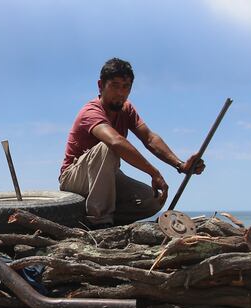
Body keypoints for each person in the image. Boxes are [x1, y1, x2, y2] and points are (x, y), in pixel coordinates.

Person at [59, 58, 205, 227]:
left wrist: (180, 165)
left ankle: (98, 218)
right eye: (115, 85)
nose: (121, 93)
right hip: (74, 179)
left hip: (106, 179)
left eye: (126, 86)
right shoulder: (90, 111)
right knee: (108, 146)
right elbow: (115, 142)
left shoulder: (126, 108)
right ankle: (100, 224)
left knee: (152, 200)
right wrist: (154, 172)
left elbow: (150, 138)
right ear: (101, 85)